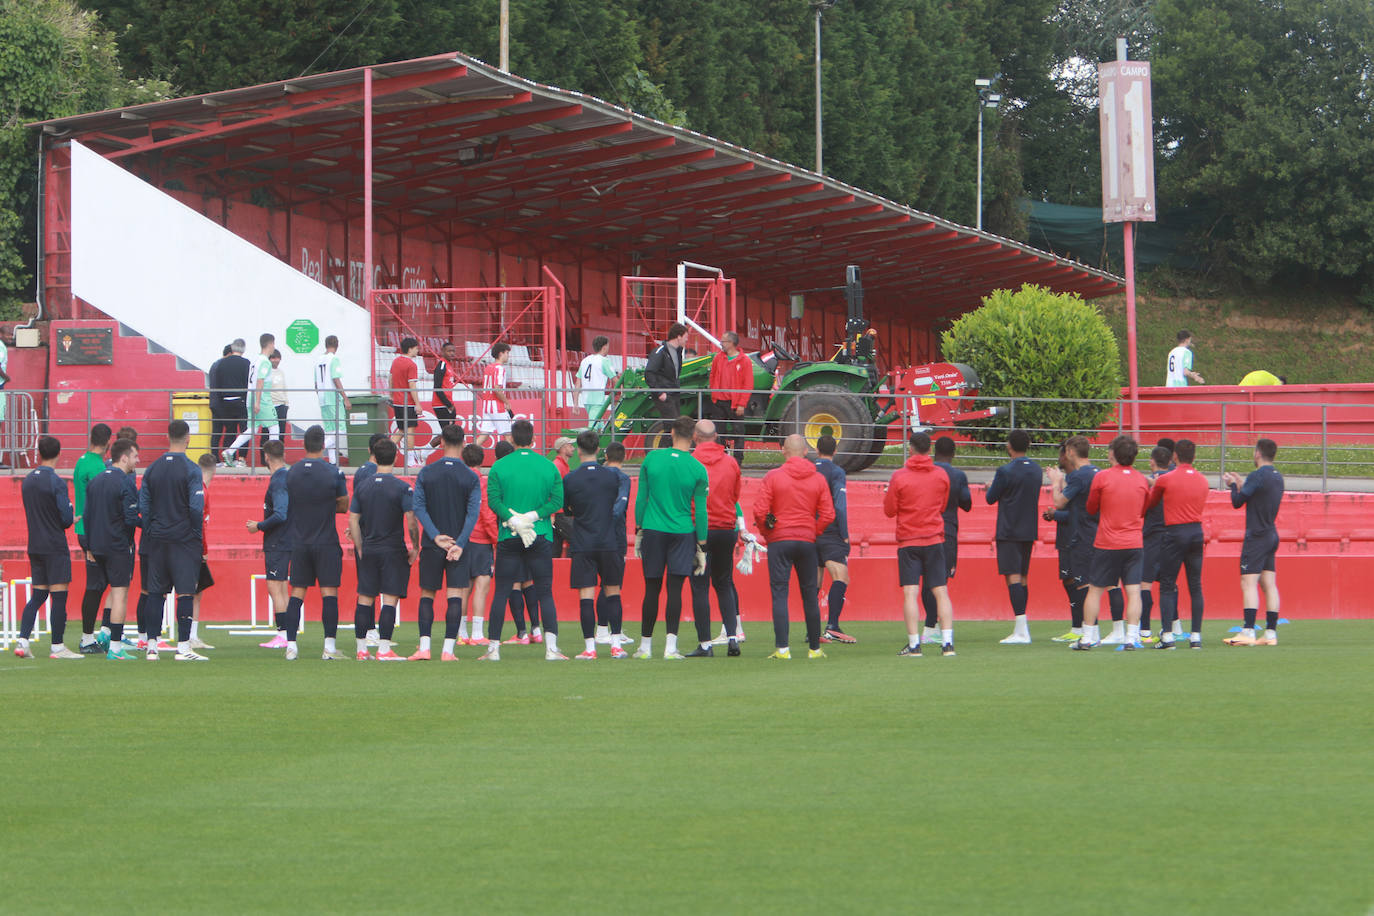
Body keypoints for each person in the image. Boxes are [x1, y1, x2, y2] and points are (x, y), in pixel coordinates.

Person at [479, 419, 565, 660]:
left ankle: (493, 649)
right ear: (533, 439)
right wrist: (533, 516)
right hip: (541, 534)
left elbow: (494, 500)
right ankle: (551, 648)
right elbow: (557, 502)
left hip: (509, 534)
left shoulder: (499, 466)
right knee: (545, 592)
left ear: (512, 439)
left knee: (502, 592)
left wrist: (514, 518)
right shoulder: (549, 466)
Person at [634, 414, 709, 659]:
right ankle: (670, 647)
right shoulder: (698, 468)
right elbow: (700, 510)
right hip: (682, 532)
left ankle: (645, 647)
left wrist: (638, 529)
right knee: (675, 590)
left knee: (651, 588)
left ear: (672, 433)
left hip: (653, 529)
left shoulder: (652, 458)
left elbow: (641, 498)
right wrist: (702, 544)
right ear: (694, 437)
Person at [753, 434, 834, 659]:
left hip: (780, 539)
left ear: (783, 451)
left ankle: (783, 649)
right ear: (806, 451)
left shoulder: (773, 476)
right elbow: (828, 513)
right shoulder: (817, 479)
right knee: (810, 595)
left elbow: (760, 511)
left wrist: (767, 532)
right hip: (806, 539)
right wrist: (813, 530)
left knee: (780, 593)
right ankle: (814, 649)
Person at [138, 420, 208, 661]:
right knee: (186, 593)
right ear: (188, 438)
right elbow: (196, 508)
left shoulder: (152, 469)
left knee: (156, 593)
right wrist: (195, 534)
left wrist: (151, 529)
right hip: (183, 540)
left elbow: (144, 507)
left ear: (167, 437)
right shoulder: (191, 469)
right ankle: (184, 647)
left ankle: (152, 646)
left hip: (157, 539)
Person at [411, 424, 481, 661]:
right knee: (455, 595)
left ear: (441, 442)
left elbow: (418, 507)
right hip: (458, 546)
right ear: (463, 444)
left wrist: (434, 536)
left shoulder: (426, 473)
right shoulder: (470, 477)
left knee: (427, 594)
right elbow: (473, 514)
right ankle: (448, 651)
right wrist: (459, 543)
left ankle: (424, 648)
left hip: (433, 544)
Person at [1072, 435, 1150, 651]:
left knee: (1095, 590)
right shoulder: (1142, 480)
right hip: (1133, 542)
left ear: (1114, 453)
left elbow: (1091, 507)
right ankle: (1131, 637)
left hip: (1107, 542)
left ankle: (1087, 638)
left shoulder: (1103, 477)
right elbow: (1144, 508)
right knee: (1134, 591)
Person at [885, 432, 955, 657]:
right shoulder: (941, 475)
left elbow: (889, 510)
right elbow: (943, 505)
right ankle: (947, 643)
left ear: (911, 449)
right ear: (929, 450)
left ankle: (914, 644)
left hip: (909, 540)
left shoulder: (899, 476)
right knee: (941, 591)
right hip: (934, 538)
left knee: (910, 593)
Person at [347, 438, 417, 661]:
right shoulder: (402, 487)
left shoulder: (363, 486)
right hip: (392, 549)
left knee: (365, 598)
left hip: (369, 547)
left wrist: (360, 547)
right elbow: (411, 520)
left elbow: (352, 521)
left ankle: (361, 649)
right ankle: (384, 649)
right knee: (389, 599)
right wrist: (416, 546)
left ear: (374, 457)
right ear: (396, 457)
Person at [562, 429, 628, 659]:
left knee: (586, 596)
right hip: (609, 541)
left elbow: (567, 509)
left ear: (579, 450)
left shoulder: (570, 478)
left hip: (583, 542)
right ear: (599, 450)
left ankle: (590, 648)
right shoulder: (612, 476)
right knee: (613, 592)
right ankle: (616, 644)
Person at [285, 425, 349, 660]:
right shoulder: (333, 472)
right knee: (329, 593)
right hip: (326, 541)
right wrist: (328, 506)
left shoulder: (292, 472)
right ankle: (329, 648)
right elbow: (344, 503)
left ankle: (291, 646)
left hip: (300, 540)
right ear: (324, 445)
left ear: (304, 445)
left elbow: (291, 502)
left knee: (297, 593)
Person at [14, 436, 76, 659]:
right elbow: (66, 518)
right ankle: (57, 646)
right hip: (54, 545)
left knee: (38, 595)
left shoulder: (28, 480)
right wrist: (70, 519)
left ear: (39, 452)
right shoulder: (56, 481)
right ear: (58, 454)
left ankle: (22, 642)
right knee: (59, 597)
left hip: (35, 544)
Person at [1145, 438, 1209, 649]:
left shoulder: (1166, 479)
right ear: (1194, 457)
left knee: (1167, 584)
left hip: (1174, 532)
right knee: (1195, 585)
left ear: (1175, 456)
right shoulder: (1202, 480)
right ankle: (1196, 636)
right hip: (1196, 532)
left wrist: (1154, 486)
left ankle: (1168, 637)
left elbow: (1151, 503)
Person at [687, 419, 742, 657]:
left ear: (695, 437)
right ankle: (732, 637)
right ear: (716, 436)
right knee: (724, 582)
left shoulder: (690, 463)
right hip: (726, 528)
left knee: (700, 586)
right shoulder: (731, 463)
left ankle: (705, 644)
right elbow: (735, 495)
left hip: (699, 529)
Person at [1222, 438, 1284, 647]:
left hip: (1256, 536)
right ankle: (1270, 634)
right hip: (1271, 533)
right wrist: (1243, 485)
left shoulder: (1257, 476)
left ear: (1257, 453)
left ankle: (1248, 631)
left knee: (1248, 583)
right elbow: (1258, 496)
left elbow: (1237, 502)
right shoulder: (1277, 477)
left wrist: (1233, 486)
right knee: (1269, 584)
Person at [83, 437, 140, 659]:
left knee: (100, 589)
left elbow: (87, 516)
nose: (137, 460)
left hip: (96, 546)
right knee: (119, 594)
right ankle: (115, 646)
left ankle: (101, 634)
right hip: (117, 546)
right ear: (124, 457)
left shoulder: (95, 480)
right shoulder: (126, 482)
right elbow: (130, 518)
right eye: (135, 456)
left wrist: (88, 544)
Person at [985, 429, 1042, 644]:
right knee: (1023, 577)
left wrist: (990, 487)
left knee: (1012, 576)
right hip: (1029, 529)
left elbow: (991, 498)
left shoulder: (1005, 471)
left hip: (1009, 529)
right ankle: (1022, 626)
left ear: (1009, 446)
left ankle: (1021, 628)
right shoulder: (1036, 470)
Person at [925, 435, 971, 646]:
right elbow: (967, 503)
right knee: (941, 582)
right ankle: (936, 629)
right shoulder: (958, 475)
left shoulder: (927, 472)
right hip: (948, 530)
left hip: (926, 529)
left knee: (926, 580)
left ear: (935, 452)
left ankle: (929, 626)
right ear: (953, 454)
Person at [246, 439, 292, 648]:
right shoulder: (287, 476)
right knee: (281, 586)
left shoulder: (279, 480)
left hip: (278, 541)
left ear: (266, 457)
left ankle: (283, 634)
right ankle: (287, 632)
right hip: (286, 539)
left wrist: (260, 525)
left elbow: (281, 513)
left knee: (275, 585)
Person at [73, 422, 113, 653]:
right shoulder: (98, 468)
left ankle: (98, 633)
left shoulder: (82, 461)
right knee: (97, 585)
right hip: (94, 532)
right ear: (108, 442)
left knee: (102, 583)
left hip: (84, 530)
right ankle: (88, 637)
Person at [812, 434, 854, 644]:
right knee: (841, 576)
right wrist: (845, 534)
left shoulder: (809, 468)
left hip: (810, 530)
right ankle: (832, 626)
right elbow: (839, 504)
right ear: (835, 451)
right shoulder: (836, 472)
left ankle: (812, 630)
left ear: (817, 450)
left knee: (815, 580)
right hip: (830, 530)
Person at [221, 333, 281, 466]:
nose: (273, 347)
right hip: (262, 400)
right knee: (274, 428)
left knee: (252, 429)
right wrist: (258, 402)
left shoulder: (255, 360)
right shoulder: (265, 362)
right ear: (270, 344)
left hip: (250, 398)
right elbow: (260, 381)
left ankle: (230, 451)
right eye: (273, 344)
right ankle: (273, 459)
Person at [458, 443, 495, 646]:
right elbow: (487, 515)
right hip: (481, 539)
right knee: (481, 585)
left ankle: (461, 633)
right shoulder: (481, 483)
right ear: (482, 461)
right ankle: (478, 634)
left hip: (463, 539)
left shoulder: (459, 481)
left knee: (464, 587)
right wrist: (497, 539)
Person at [1044, 443, 1082, 643]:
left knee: (1076, 581)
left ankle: (1080, 627)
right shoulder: (1073, 479)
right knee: (1069, 581)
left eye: (1061, 456)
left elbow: (1073, 512)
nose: (1059, 460)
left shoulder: (1075, 479)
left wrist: (1056, 484)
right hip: (1067, 537)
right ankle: (1078, 626)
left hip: (1072, 538)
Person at [597, 441, 633, 646]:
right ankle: (606, 631)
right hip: (614, 536)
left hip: (593, 535)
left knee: (604, 584)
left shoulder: (597, 475)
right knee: (612, 584)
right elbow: (620, 507)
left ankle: (603, 629)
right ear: (624, 457)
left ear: (606, 456)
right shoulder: (622, 478)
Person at [1138, 443, 1174, 640]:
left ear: (1152, 461)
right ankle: (1171, 627)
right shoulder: (1174, 481)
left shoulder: (1149, 484)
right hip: (1171, 536)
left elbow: (1142, 508)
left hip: (1152, 536)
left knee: (1145, 582)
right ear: (1169, 462)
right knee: (1169, 584)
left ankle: (1144, 628)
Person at [188, 453, 218, 651]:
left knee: (196, 592)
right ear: (214, 471)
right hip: (194, 548)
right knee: (191, 592)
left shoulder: (199, 488)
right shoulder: (202, 491)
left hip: (191, 546)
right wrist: (204, 549)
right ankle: (189, 635)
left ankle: (192, 634)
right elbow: (199, 523)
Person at [707, 331, 752, 462]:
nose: (721, 344)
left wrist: (742, 404)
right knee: (718, 432)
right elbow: (713, 376)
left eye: (723, 341)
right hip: (719, 401)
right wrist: (714, 393)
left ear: (731, 343)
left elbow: (748, 384)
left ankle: (737, 461)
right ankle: (720, 458)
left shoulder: (744, 361)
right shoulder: (718, 358)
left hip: (735, 403)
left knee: (738, 432)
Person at [644, 323, 688, 448]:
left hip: (673, 393)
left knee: (674, 425)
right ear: (678, 337)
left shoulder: (677, 352)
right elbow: (649, 373)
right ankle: (663, 452)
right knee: (673, 425)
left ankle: (665, 452)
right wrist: (659, 392)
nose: (686, 340)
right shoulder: (660, 352)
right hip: (664, 394)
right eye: (685, 337)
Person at [314, 335, 352, 464]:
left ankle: (332, 461)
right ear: (337, 345)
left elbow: (315, 383)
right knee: (341, 428)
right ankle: (319, 448)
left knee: (330, 430)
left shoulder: (318, 360)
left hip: (322, 397)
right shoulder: (334, 359)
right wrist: (345, 398)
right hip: (332, 396)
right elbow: (336, 378)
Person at [211, 339, 250, 461]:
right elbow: (248, 383)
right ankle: (242, 458)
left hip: (225, 402)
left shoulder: (221, 363)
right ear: (243, 349)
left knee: (230, 431)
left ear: (232, 349)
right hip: (241, 401)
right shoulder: (246, 363)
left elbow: (218, 384)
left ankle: (229, 457)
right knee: (244, 431)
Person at [576, 336, 619, 422]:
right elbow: (615, 380)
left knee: (599, 425)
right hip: (597, 399)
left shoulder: (585, 360)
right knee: (593, 427)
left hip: (586, 399)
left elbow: (577, 383)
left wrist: (575, 403)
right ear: (604, 347)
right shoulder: (604, 361)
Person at [479, 342, 516, 443]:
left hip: (486, 405)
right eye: (507, 353)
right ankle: (510, 459)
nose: (508, 355)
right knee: (508, 436)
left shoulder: (488, 368)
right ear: (501, 354)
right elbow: (497, 389)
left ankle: (468, 454)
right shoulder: (499, 369)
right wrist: (507, 402)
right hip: (497, 406)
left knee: (484, 435)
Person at [550, 436, 577, 558]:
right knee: (576, 539)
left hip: (560, 512)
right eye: (570, 445)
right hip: (560, 513)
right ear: (563, 448)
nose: (573, 448)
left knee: (555, 546)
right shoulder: (559, 466)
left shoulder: (561, 466)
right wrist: (552, 515)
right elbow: (551, 490)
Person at [263, 349, 288, 451]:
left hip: (281, 405)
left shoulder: (281, 372)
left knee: (281, 433)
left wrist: (286, 403)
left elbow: (284, 388)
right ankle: (265, 457)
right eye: (273, 358)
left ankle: (279, 456)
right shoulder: (266, 372)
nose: (276, 360)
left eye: (278, 358)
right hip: (270, 405)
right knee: (266, 433)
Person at [432, 341, 461, 425]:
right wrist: (448, 404)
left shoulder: (448, 365)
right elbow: (437, 387)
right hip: (441, 404)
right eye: (449, 351)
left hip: (447, 403)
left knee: (449, 432)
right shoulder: (442, 365)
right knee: (448, 432)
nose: (452, 353)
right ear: (443, 352)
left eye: (453, 351)